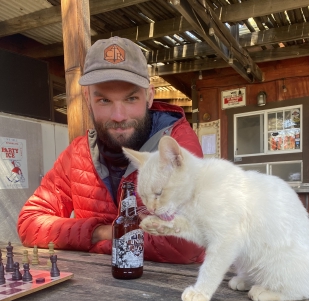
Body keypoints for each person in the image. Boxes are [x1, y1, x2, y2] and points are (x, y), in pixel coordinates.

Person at [17, 37, 204, 263]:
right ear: (88, 99)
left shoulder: (176, 145)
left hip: (169, 292)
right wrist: (103, 231)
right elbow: (30, 222)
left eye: (131, 98)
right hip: (96, 293)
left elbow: (186, 242)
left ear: (150, 96)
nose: (118, 116)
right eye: (104, 100)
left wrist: (90, 239)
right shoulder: (77, 154)